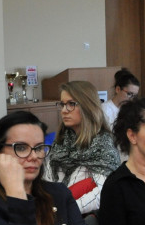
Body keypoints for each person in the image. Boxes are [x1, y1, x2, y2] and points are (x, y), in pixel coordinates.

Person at [42, 81, 122, 214]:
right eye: (62, 104)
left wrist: (64, 211)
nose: (64, 110)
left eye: (71, 104)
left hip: (83, 218)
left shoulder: (103, 144)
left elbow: (103, 192)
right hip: (55, 211)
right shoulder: (61, 140)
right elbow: (48, 179)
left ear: (88, 106)